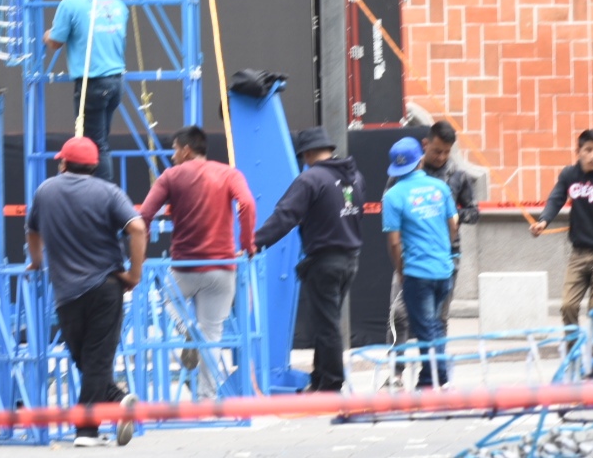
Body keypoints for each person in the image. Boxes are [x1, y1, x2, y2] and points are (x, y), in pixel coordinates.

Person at [26, 137, 144, 448]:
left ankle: (90, 426)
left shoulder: (45, 190)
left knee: (87, 359)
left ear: (63, 162)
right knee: (95, 361)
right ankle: (106, 412)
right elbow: (138, 228)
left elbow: (33, 231)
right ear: (94, 166)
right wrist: (135, 273)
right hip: (106, 286)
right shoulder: (108, 191)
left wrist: (36, 262)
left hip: (66, 292)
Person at [138, 125, 257, 398]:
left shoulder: (170, 176)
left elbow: (143, 214)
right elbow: (248, 204)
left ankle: (188, 331)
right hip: (222, 269)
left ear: (187, 150)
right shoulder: (229, 173)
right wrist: (248, 245)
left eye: (175, 150)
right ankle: (206, 400)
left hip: (184, 269)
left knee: (168, 300)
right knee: (212, 337)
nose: (172, 156)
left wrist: (141, 253)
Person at [252, 126, 364, 393]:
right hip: (350, 258)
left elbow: (285, 216)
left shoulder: (311, 179)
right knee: (328, 322)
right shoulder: (355, 177)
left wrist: (254, 243)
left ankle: (331, 385)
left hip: (324, 260)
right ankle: (320, 379)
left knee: (326, 326)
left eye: (303, 156)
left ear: (309, 153)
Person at [385, 120, 477, 386]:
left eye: (447, 152)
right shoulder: (399, 177)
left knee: (436, 320)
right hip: (411, 257)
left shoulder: (456, 177)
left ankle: (435, 376)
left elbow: (472, 212)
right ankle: (398, 372)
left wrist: (449, 222)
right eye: (437, 151)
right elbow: (393, 220)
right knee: (399, 314)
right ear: (425, 145)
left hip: (445, 257)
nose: (442, 157)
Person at [45, 0, 129, 184]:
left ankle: (102, 200)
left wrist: (46, 35)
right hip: (116, 81)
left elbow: (55, 42)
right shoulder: (117, 3)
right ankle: (100, 196)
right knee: (101, 142)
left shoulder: (71, 3)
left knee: (93, 146)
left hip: (92, 83)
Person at [531, 129, 593, 328]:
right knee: (568, 306)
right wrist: (543, 220)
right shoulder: (569, 175)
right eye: (588, 150)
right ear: (578, 151)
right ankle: (574, 351)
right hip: (578, 254)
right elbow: (557, 197)